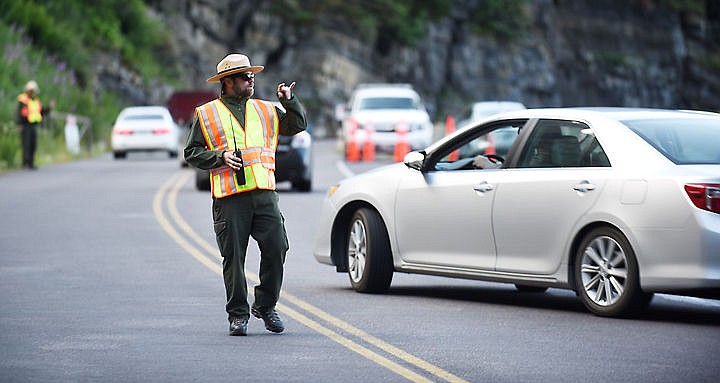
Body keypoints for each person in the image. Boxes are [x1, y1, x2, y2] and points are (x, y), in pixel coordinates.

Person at [184, 53, 307, 336]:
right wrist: (220, 157)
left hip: (264, 196)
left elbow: (297, 125)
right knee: (234, 259)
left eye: (252, 75)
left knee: (278, 247)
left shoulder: (266, 110)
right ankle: (238, 315)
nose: (250, 79)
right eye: (244, 76)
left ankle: (265, 305)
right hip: (229, 199)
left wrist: (289, 100)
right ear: (227, 82)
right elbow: (191, 152)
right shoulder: (207, 113)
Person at [16, 80, 54, 169]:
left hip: (33, 125)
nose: (32, 92)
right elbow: (18, 113)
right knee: (26, 144)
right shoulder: (23, 100)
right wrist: (19, 124)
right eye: (31, 90)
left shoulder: (36, 101)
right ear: (28, 90)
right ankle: (25, 163)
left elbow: (42, 112)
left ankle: (31, 163)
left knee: (33, 144)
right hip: (25, 125)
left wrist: (49, 107)